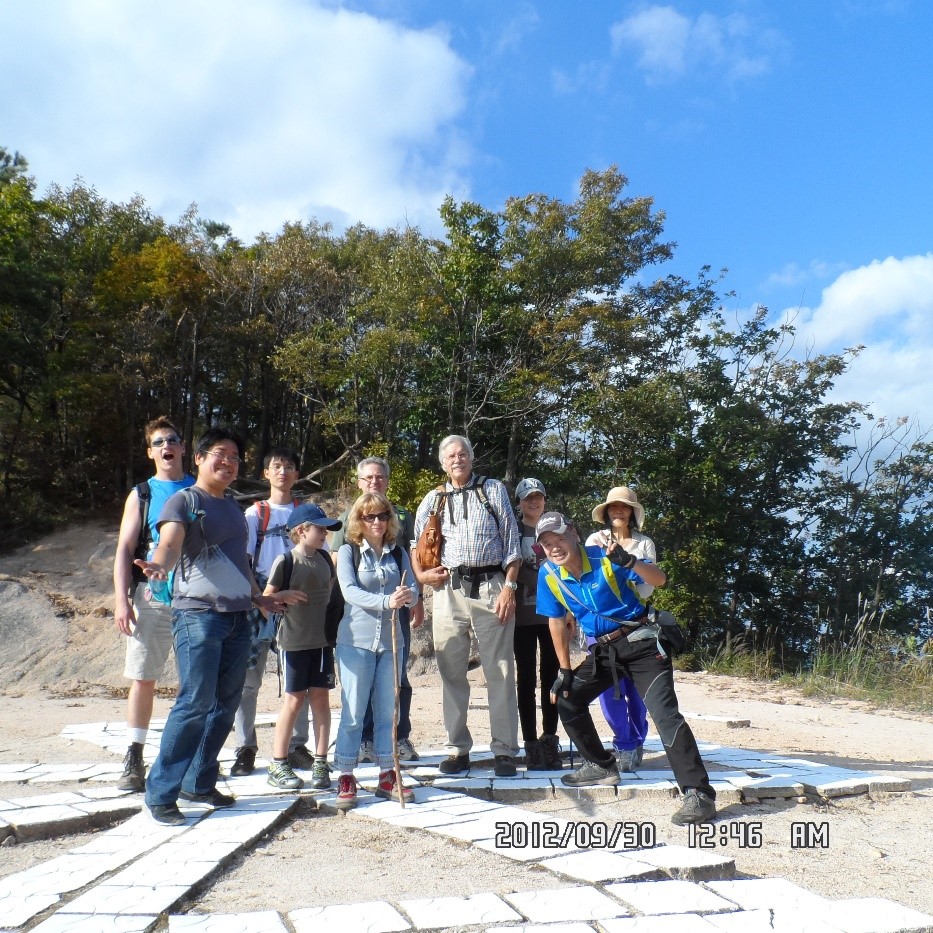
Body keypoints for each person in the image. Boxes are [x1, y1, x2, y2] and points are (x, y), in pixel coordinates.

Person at [134, 427, 305, 825]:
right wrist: (160, 564)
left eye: (234, 457)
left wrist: (258, 596)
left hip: (238, 617)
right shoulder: (184, 500)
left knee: (225, 704)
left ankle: (199, 779)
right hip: (198, 616)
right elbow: (171, 543)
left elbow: (240, 563)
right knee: (194, 702)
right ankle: (161, 792)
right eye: (219, 454)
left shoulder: (232, 508)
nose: (227, 462)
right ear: (198, 458)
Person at [535, 511, 716, 825]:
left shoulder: (606, 557)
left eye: (559, 538)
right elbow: (555, 620)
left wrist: (629, 561)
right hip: (606, 651)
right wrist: (564, 671)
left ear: (574, 534)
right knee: (567, 696)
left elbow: (660, 580)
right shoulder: (548, 574)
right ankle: (602, 766)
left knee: (664, 714)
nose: (554, 547)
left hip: (643, 643)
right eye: (547, 543)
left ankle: (698, 793)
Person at [411, 435, 521, 777]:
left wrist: (510, 588)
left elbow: (512, 542)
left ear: (471, 459)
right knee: (450, 671)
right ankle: (457, 749)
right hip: (448, 589)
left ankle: (504, 750)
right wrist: (421, 576)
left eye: (463, 454)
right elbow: (416, 545)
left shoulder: (492, 490)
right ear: (443, 463)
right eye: (451, 456)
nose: (457, 459)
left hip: (492, 586)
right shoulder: (433, 500)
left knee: (500, 669)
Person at [112, 416, 195, 792]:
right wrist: (121, 599)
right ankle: (134, 754)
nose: (167, 446)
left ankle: (191, 759)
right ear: (150, 452)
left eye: (172, 439)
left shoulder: (199, 488)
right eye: (159, 441)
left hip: (197, 601)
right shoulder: (142, 493)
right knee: (144, 677)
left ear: (183, 447)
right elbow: (125, 549)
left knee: (196, 682)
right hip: (152, 598)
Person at [331, 456, 422, 763]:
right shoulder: (347, 547)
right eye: (369, 517)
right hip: (356, 639)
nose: (376, 521)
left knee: (388, 711)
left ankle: (387, 769)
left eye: (382, 516)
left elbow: (414, 585)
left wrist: (410, 595)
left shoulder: (397, 552)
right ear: (358, 519)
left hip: (390, 638)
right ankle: (345, 769)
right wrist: (387, 601)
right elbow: (348, 590)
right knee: (354, 711)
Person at [230, 448, 313, 777]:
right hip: (262, 596)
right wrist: (258, 598)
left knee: (297, 678)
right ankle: (245, 747)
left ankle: (296, 746)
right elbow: (244, 560)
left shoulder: (305, 512)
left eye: (290, 467)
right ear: (266, 473)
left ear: (296, 474)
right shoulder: (255, 514)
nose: (283, 472)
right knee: (248, 680)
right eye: (277, 467)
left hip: (297, 593)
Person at [263, 503, 342, 792]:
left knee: (321, 699)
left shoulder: (324, 558)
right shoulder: (285, 561)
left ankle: (321, 761)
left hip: (322, 643)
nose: (325, 534)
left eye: (325, 529)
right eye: (319, 528)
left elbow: (331, 596)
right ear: (301, 531)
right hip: (293, 643)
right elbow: (266, 600)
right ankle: (278, 762)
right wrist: (282, 595)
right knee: (294, 701)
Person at [583, 486, 652, 773]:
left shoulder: (644, 544)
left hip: (635, 624)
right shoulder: (593, 540)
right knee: (608, 690)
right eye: (614, 507)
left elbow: (646, 590)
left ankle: (636, 741)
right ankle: (622, 743)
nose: (618, 511)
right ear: (607, 511)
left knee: (636, 691)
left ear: (633, 512)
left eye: (624, 507)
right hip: (600, 626)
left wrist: (625, 564)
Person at [512, 478, 562, 771]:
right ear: (519, 502)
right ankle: (530, 744)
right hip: (522, 615)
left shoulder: (555, 527)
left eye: (538, 497)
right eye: (528, 497)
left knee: (552, 679)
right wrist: (541, 580)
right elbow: (511, 566)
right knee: (526, 681)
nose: (534, 502)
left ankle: (550, 740)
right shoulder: (513, 530)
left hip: (551, 615)